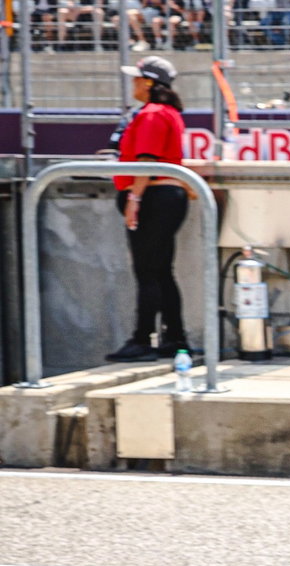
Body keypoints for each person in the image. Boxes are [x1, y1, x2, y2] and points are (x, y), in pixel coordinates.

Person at [106, 56, 194, 362]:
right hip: (163, 197)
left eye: (137, 78)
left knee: (147, 271)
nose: (132, 83)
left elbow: (146, 160)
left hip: (154, 197)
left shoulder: (153, 113)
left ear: (149, 83)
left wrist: (135, 199)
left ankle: (142, 340)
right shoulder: (165, 112)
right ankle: (175, 339)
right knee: (160, 270)